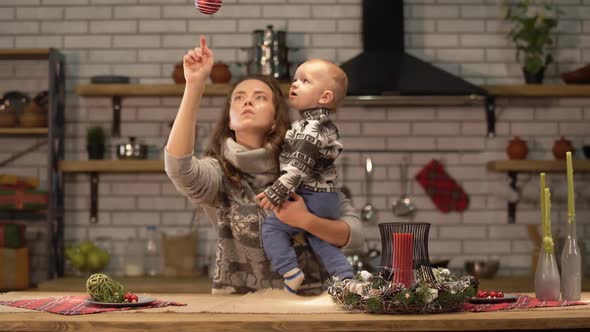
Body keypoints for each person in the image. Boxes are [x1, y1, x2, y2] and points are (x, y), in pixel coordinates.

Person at [165, 36, 364, 295]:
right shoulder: (218, 173)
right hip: (239, 309)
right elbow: (178, 168)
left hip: (310, 308)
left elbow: (354, 235)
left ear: (274, 120)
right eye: (239, 98)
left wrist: (306, 220)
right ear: (229, 121)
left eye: (260, 97)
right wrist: (194, 84)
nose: (247, 102)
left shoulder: (302, 161)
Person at [255, 59, 353, 293]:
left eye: (305, 80)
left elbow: (300, 164)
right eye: (296, 79)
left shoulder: (312, 127)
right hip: (326, 197)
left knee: (272, 228)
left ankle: (290, 272)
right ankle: (346, 277)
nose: (295, 84)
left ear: (325, 97)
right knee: (319, 238)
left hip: (310, 193)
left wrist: (279, 190)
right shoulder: (315, 124)